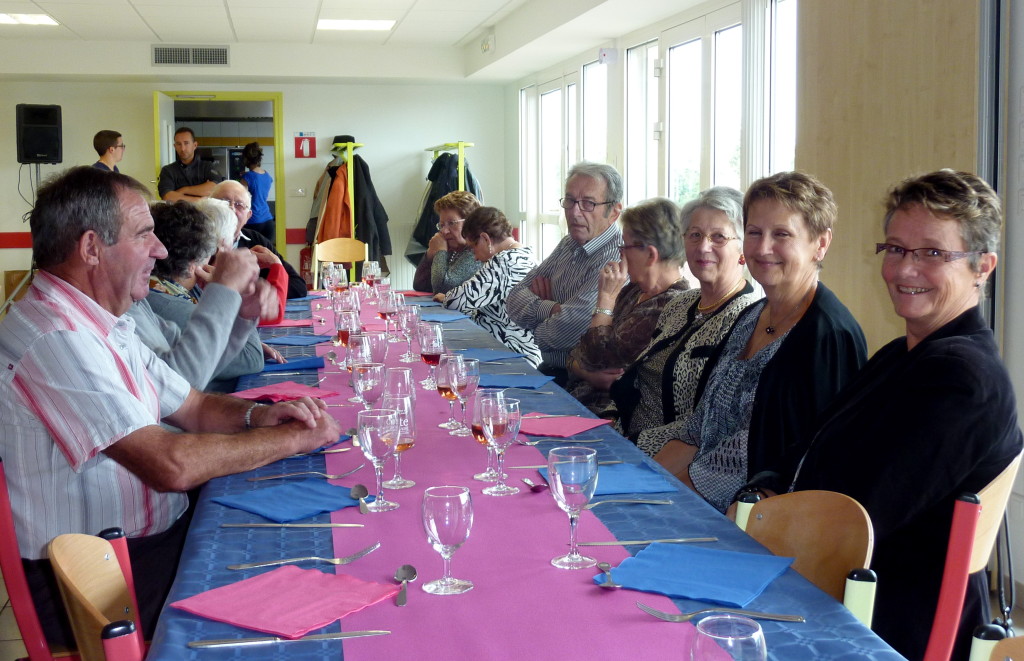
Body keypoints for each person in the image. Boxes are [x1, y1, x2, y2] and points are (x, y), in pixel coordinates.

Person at [0, 166, 341, 644]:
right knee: (296, 592)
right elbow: (170, 464)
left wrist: (259, 415)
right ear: (92, 248)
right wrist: (285, 439)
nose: (160, 251)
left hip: (142, 545)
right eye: (144, 236)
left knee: (295, 549)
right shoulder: (54, 337)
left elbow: (194, 406)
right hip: (96, 582)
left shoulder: (101, 320)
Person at [742, 170, 1022, 660]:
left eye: (932, 253)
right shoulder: (902, 355)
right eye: (895, 248)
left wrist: (762, 513)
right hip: (839, 582)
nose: (904, 270)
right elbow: (810, 446)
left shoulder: (962, 380)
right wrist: (768, 486)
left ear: (983, 266)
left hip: (882, 616)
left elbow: (860, 515)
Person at [661, 171, 867, 512]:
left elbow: (814, 471)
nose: (763, 247)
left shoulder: (828, 337)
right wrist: (643, 488)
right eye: (754, 232)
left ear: (821, 243)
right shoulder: (751, 316)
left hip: (756, 521)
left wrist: (671, 503)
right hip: (696, 500)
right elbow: (697, 433)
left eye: (782, 234)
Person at [610, 188, 757, 447]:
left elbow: (707, 423)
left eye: (718, 237)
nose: (703, 247)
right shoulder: (680, 304)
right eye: (695, 235)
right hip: (623, 436)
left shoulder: (747, 319)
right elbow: (638, 381)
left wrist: (632, 445)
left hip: (670, 456)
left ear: (743, 248)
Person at [566, 198, 690, 413]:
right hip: (576, 402)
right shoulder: (633, 290)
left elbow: (596, 359)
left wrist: (604, 299)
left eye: (625, 247)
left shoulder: (670, 305)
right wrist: (586, 373)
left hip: (609, 418)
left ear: (651, 254)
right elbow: (576, 353)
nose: (620, 255)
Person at [506, 162, 623, 385]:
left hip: (584, 385)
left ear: (614, 211)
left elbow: (564, 332)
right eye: (569, 201)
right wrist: (552, 308)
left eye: (588, 203)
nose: (574, 212)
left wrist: (538, 320)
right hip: (548, 370)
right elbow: (513, 298)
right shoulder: (568, 244)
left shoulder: (616, 258)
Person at [132, 200, 267, 392]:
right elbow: (251, 358)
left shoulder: (158, 295)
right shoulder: (164, 301)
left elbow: (210, 357)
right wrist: (231, 293)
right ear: (193, 263)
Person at [434, 206, 541, 365]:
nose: (475, 257)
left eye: (473, 247)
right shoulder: (524, 254)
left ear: (485, 239)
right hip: (519, 348)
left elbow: (457, 301)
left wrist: (446, 297)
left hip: (510, 353)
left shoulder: (504, 262)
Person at [212, 180, 307, 299]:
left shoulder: (257, 240)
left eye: (239, 205)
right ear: (209, 207)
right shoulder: (195, 239)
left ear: (248, 216)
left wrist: (276, 264)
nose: (231, 208)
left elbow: (298, 287)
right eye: (224, 202)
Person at [413, 190, 482, 293]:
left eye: (452, 223)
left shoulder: (477, 251)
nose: (444, 231)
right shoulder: (454, 248)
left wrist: (440, 251)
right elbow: (420, 285)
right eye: (441, 225)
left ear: (470, 222)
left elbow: (441, 289)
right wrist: (430, 254)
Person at [158, 126, 223, 202]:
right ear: (175, 147)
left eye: (186, 143)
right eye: (179, 144)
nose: (182, 148)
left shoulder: (207, 166)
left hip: (203, 213)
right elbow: (167, 196)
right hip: (178, 213)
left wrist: (184, 190)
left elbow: (215, 189)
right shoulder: (167, 171)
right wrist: (200, 200)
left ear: (195, 145)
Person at [240, 141, 275, 248]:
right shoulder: (267, 176)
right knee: (266, 255)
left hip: (252, 221)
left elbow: (241, 199)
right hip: (268, 221)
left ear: (246, 158)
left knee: (251, 257)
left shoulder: (247, 178)